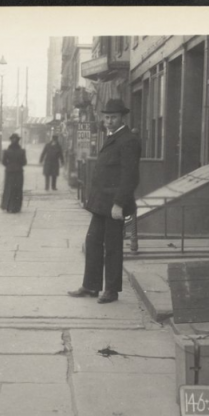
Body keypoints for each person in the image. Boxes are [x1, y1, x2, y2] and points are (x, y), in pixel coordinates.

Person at [68, 99, 141, 304]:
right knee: (92, 242)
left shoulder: (128, 140)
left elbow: (130, 177)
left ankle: (111, 290)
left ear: (122, 118)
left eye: (113, 117)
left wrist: (119, 204)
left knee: (113, 247)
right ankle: (91, 286)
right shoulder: (112, 137)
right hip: (101, 203)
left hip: (114, 205)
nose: (109, 121)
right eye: (107, 117)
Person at [0, 133, 27, 213]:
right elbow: (24, 162)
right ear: (18, 141)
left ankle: (8, 206)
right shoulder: (22, 151)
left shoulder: (7, 151)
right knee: (18, 189)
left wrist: (9, 166)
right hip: (18, 172)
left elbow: (3, 162)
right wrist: (18, 165)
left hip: (9, 172)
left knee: (9, 188)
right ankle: (16, 207)